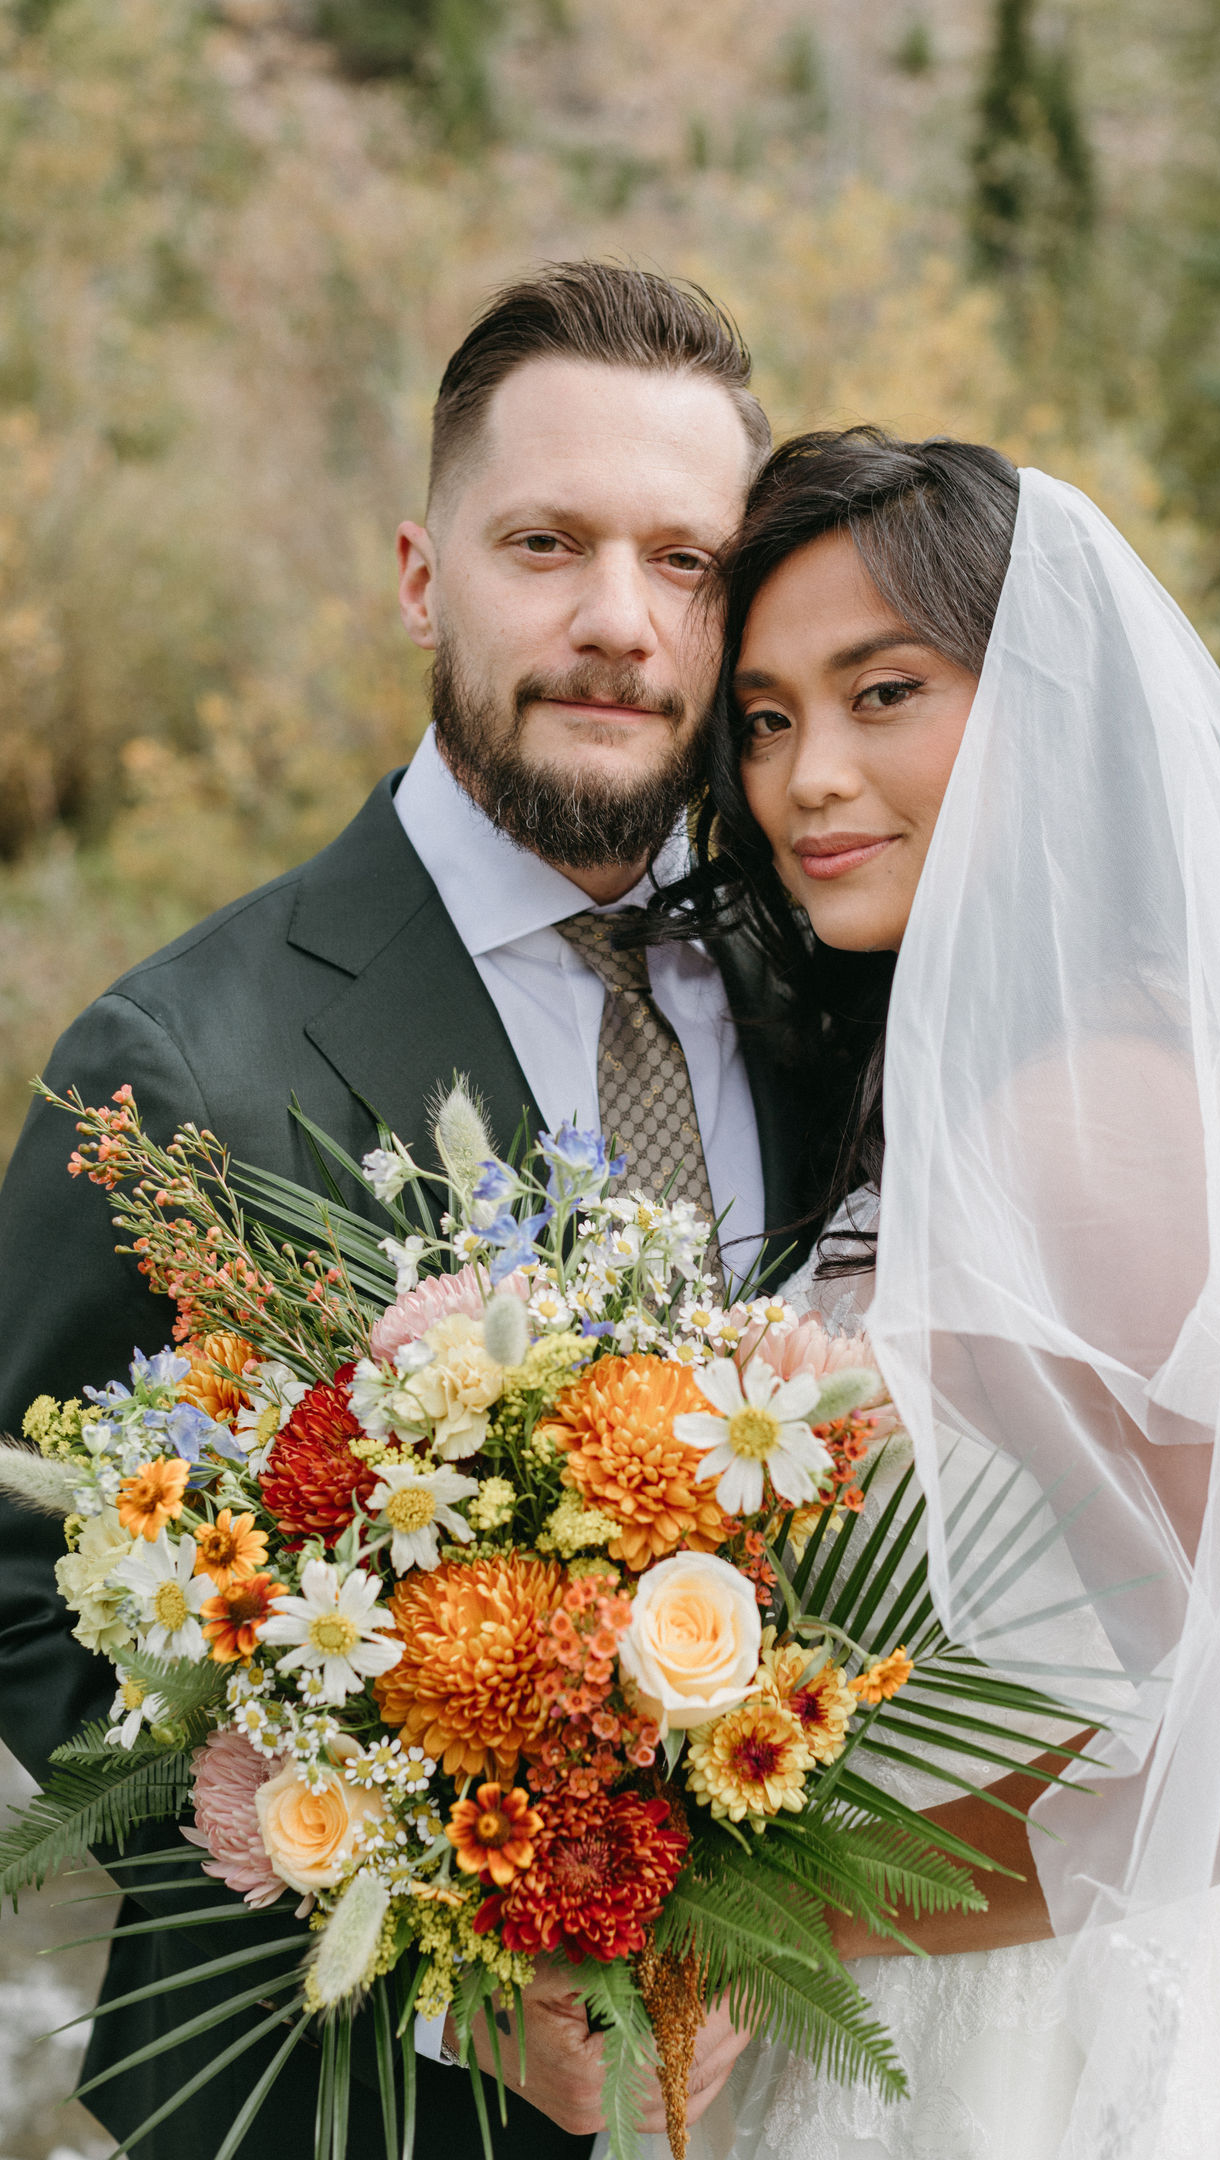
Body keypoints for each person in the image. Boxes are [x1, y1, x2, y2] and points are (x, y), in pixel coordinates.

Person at [0, 263, 833, 2159]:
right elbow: (13, 1582)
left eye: (685, 563)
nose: (617, 623)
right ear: (421, 573)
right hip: (351, 2097)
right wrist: (409, 1898)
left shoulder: (834, 995)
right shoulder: (177, 1061)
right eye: (546, 542)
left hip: (813, 2067)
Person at [640, 429, 1220, 2157]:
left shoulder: (1088, 1117)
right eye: (767, 719)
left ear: (1047, 709)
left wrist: (810, 1916)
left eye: (885, 692)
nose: (807, 779)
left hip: (1050, 2036)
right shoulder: (978, 1077)